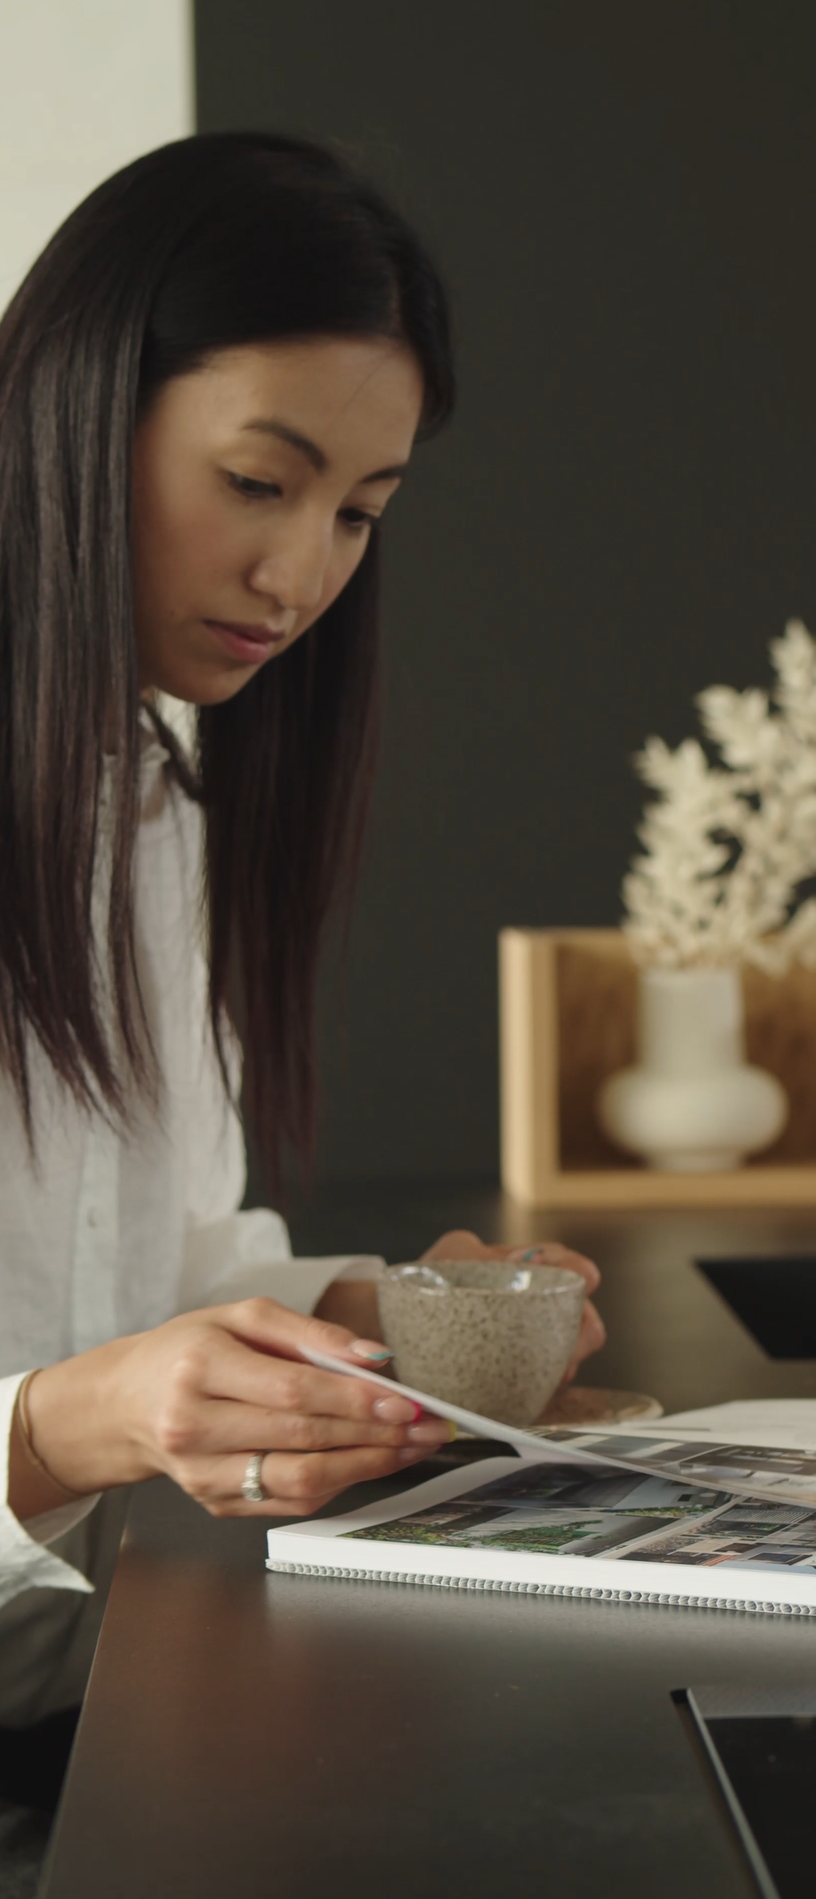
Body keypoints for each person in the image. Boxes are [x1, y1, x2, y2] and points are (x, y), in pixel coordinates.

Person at [0, 134, 604, 1775]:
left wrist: (379, 1319)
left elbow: (159, 1279)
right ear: (75, 403)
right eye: (258, 483)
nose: (302, 575)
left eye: (359, 512)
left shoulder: (153, 813)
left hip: (83, 1721)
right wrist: (69, 1424)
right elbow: (88, 1386)